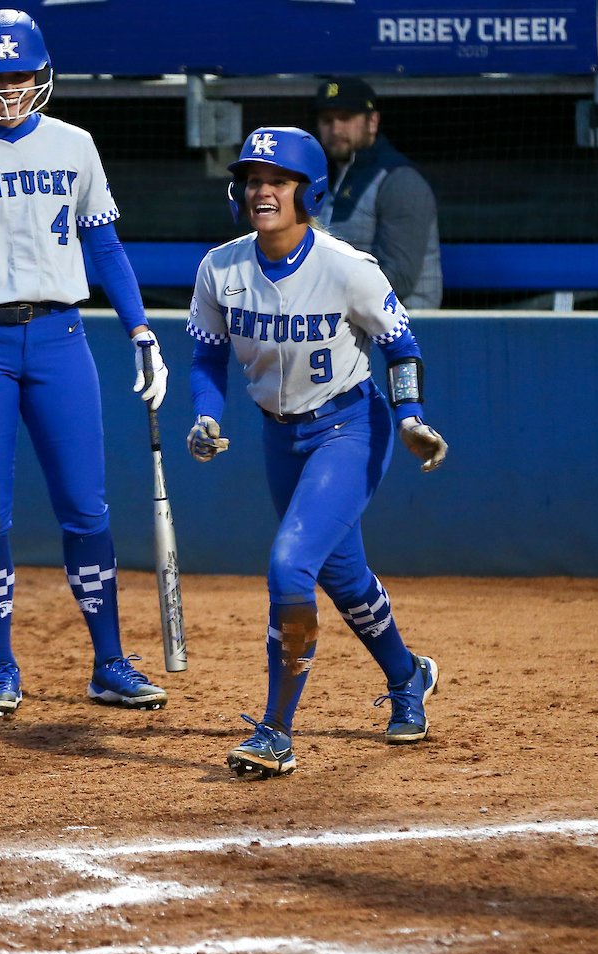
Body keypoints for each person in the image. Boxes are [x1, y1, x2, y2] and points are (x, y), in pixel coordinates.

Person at [0, 8, 170, 718]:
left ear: (42, 74)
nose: (8, 89)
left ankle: (109, 663)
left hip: (60, 338)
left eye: (19, 76)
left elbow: (105, 248)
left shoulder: (76, 144)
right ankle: (1, 668)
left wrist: (141, 331)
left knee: (85, 507)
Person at [185, 127, 449, 779]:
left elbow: (401, 345)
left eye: (278, 181)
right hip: (280, 437)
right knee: (344, 577)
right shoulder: (220, 267)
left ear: (310, 193)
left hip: (349, 429)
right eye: (253, 180)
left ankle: (275, 732)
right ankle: (408, 676)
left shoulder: (346, 266)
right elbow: (206, 357)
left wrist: (411, 417)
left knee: (289, 567)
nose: (262, 191)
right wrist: (206, 415)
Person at [315, 77, 442, 309]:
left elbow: (399, 278)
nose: (335, 129)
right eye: (327, 120)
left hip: (404, 322)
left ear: (372, 122)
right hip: (341, 317)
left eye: (346, 118)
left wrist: (320, 293)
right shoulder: (320, 178)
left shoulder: (399, 180)